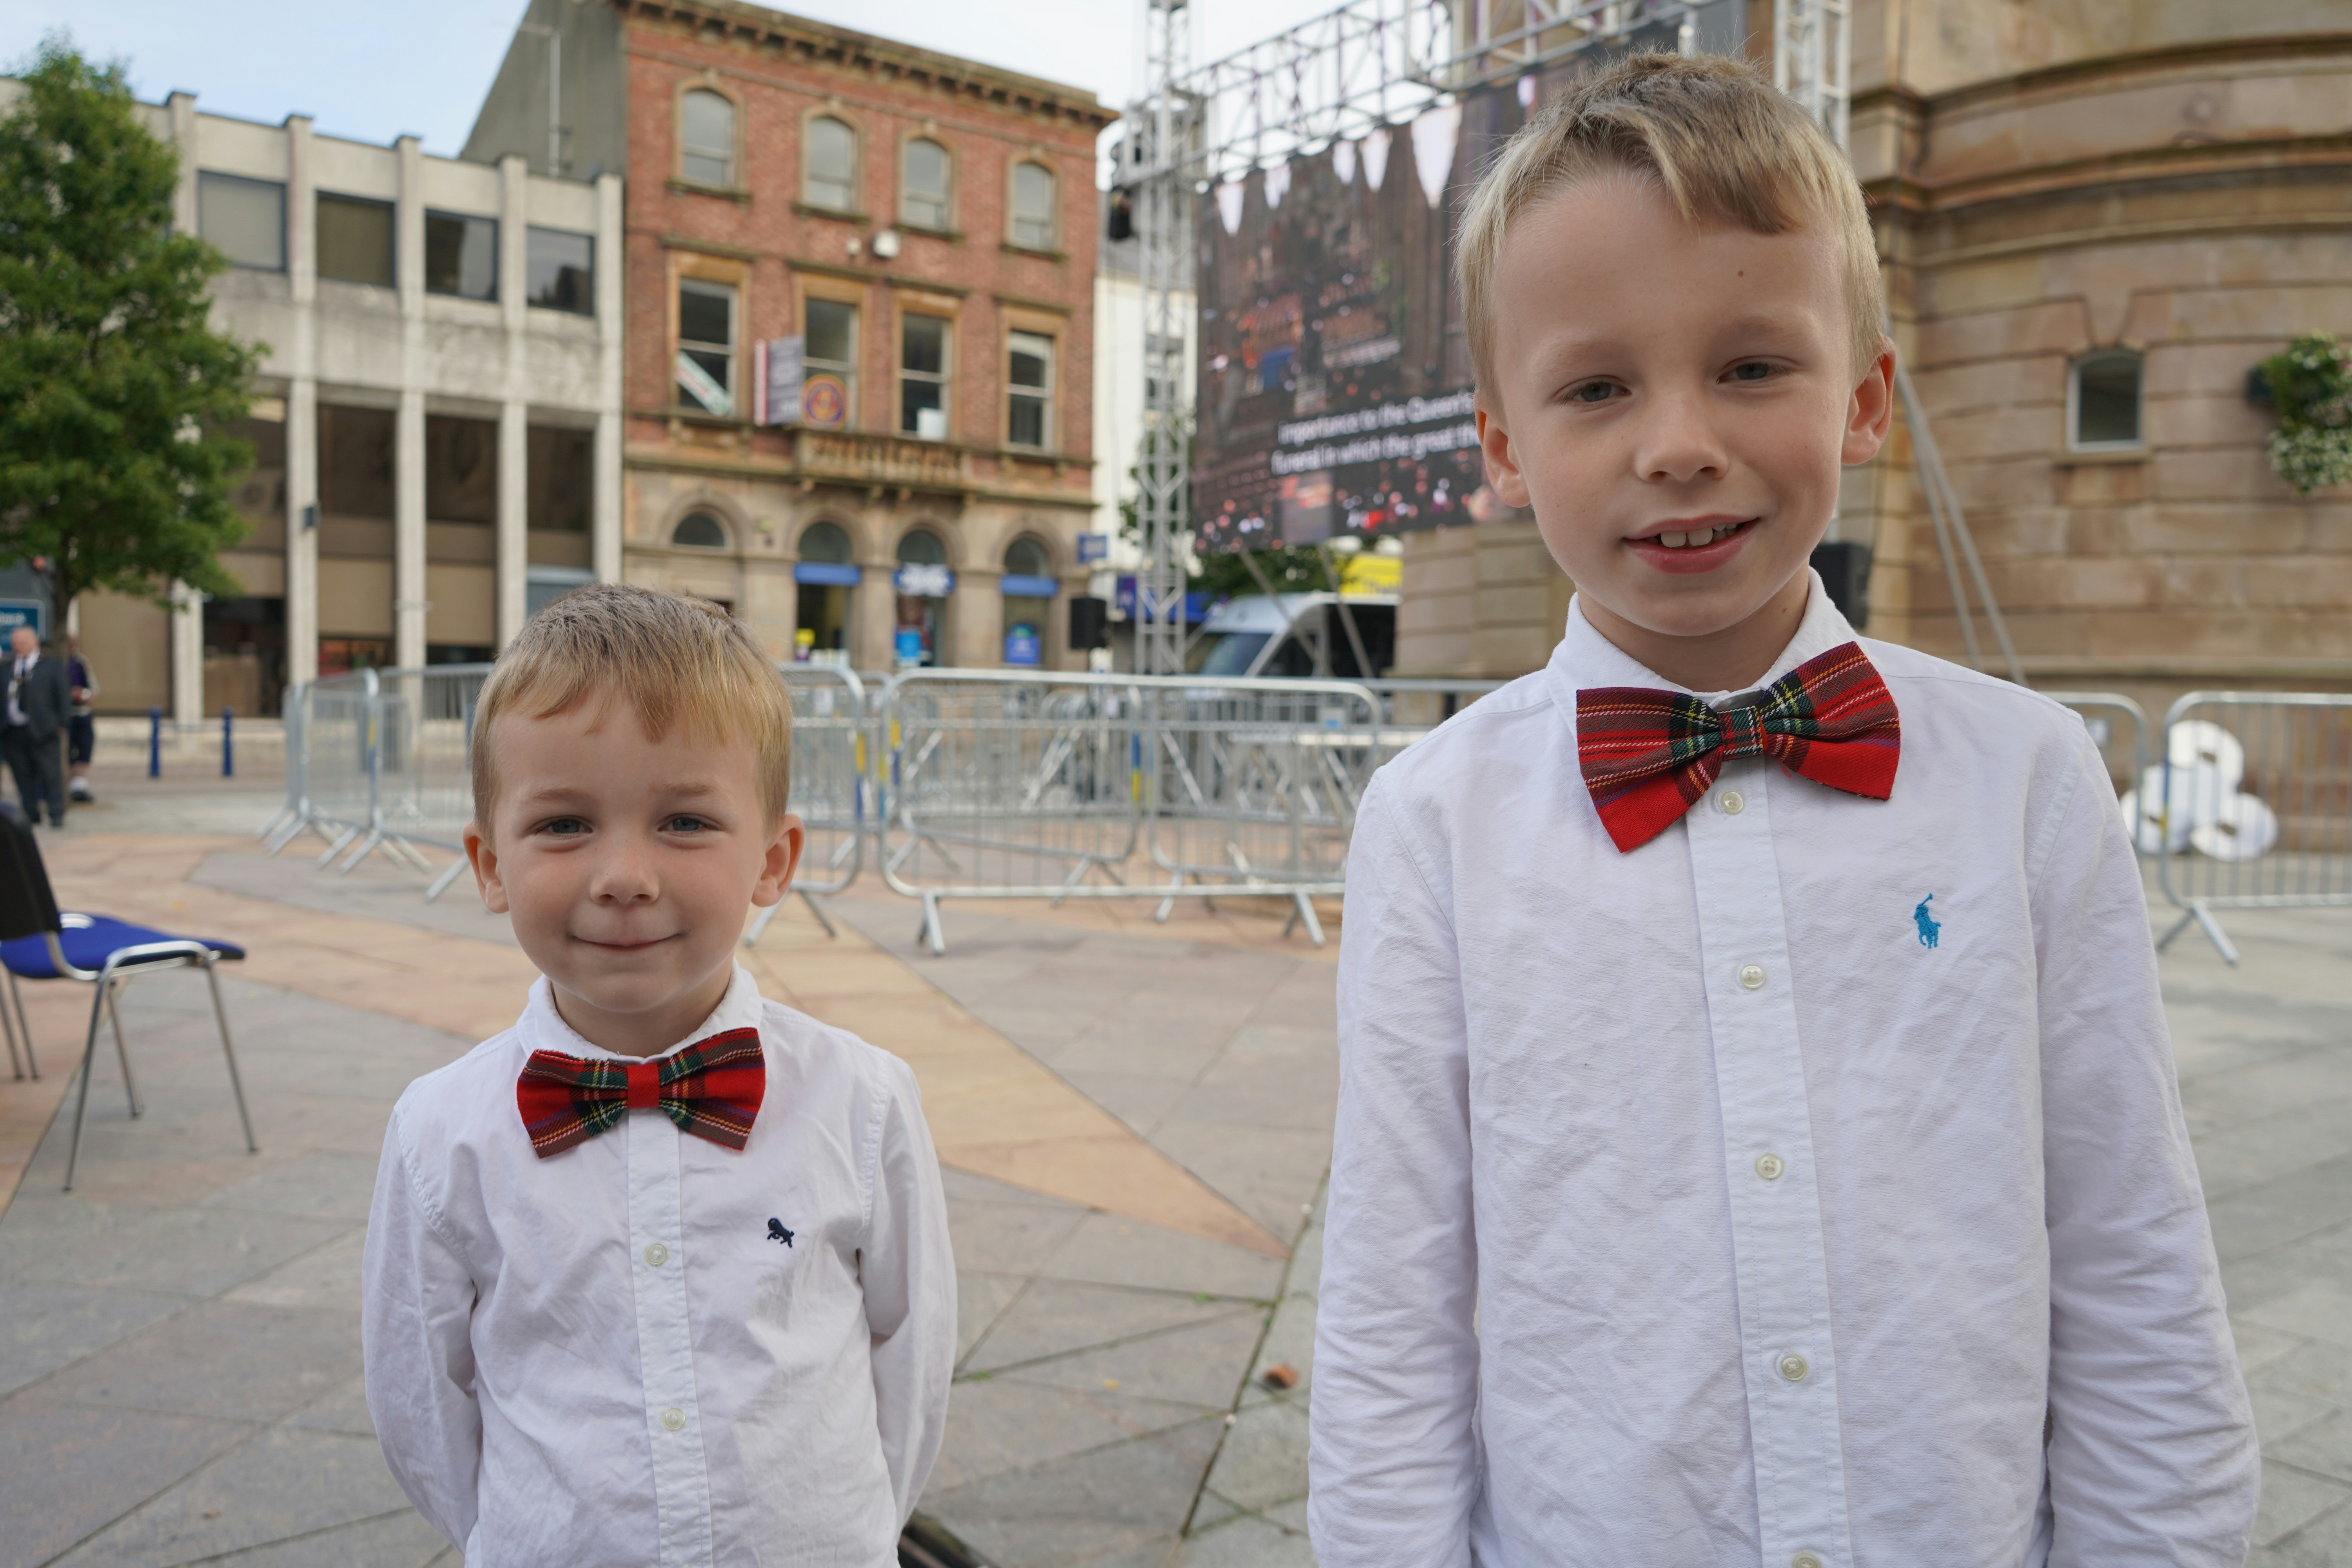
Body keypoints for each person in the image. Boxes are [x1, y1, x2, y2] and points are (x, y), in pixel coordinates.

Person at [1308, 53, 2258, 1566]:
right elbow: (1391, 1296)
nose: (1678, 441)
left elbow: (2130, 1246)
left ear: (1864, 398)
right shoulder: (1433, 821)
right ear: (1502, 447)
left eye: (1751, 366)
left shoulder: (2025, 776)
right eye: (1596, 387)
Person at [362, 584, 954, 1565]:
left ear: (773, 860)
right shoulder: (441, 1128)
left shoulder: (863, 1098)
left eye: (684, 821)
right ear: (490, 863)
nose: (624, 876)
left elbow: (913, 1359)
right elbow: (421, 1398)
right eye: (564, 824)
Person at [1, 625, 69, 828]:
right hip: (13, 730)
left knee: (50, 773)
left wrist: (61, 723)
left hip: (43, 729)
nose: (18, 646)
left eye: (23, 642)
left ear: (35, 643)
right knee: (22, 773)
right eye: (16, 642)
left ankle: (56, 813)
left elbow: (63, 697)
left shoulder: (52, 665)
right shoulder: (6, 666)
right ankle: (31, 813)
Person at [64, 633, 97, 803]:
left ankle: (79, 787)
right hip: (66, 715)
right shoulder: (57, 664)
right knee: (67, 751)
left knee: (85, 749)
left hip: (83, 713)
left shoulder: (80, 663)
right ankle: (68, 786)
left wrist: (86, 695)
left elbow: (93, 686)